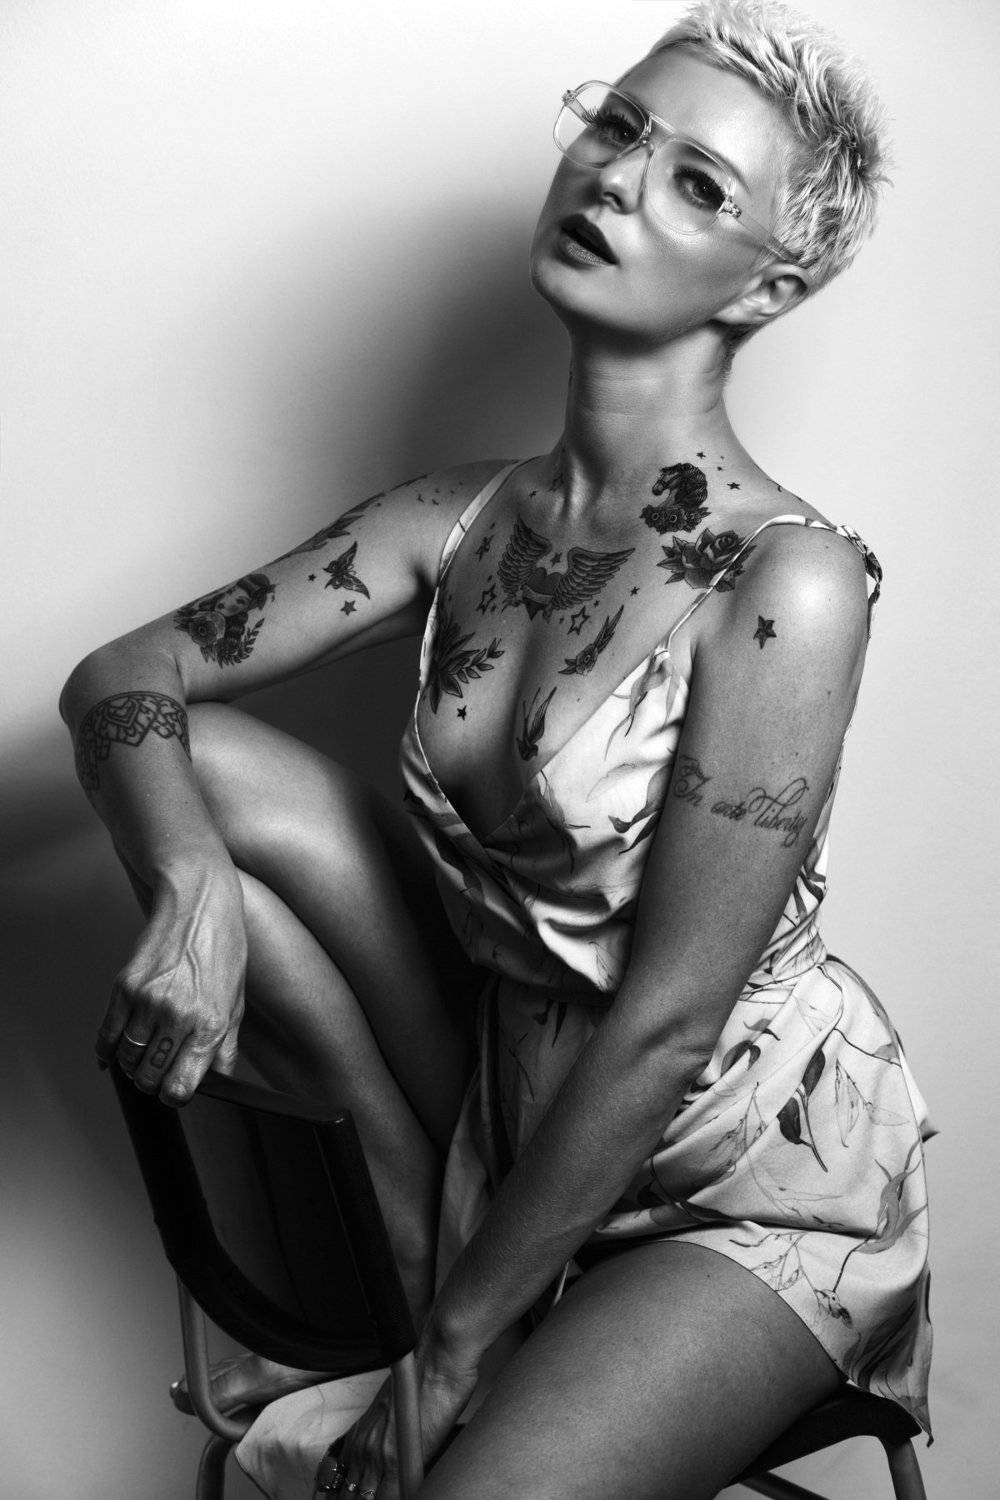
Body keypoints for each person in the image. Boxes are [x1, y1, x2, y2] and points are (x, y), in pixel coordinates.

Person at [60, 2, 933, 1496]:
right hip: (510, 1101)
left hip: (735, 1178)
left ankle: (466, 1306)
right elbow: (124, 677)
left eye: (696, 183)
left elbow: (669, 1020)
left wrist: (453, 1359)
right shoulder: (453, 519)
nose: (617, 177)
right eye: (618, 127)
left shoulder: (787, 583)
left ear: (769, 283)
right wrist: (194, 889)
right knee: (209, 797)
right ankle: (439, 1246)